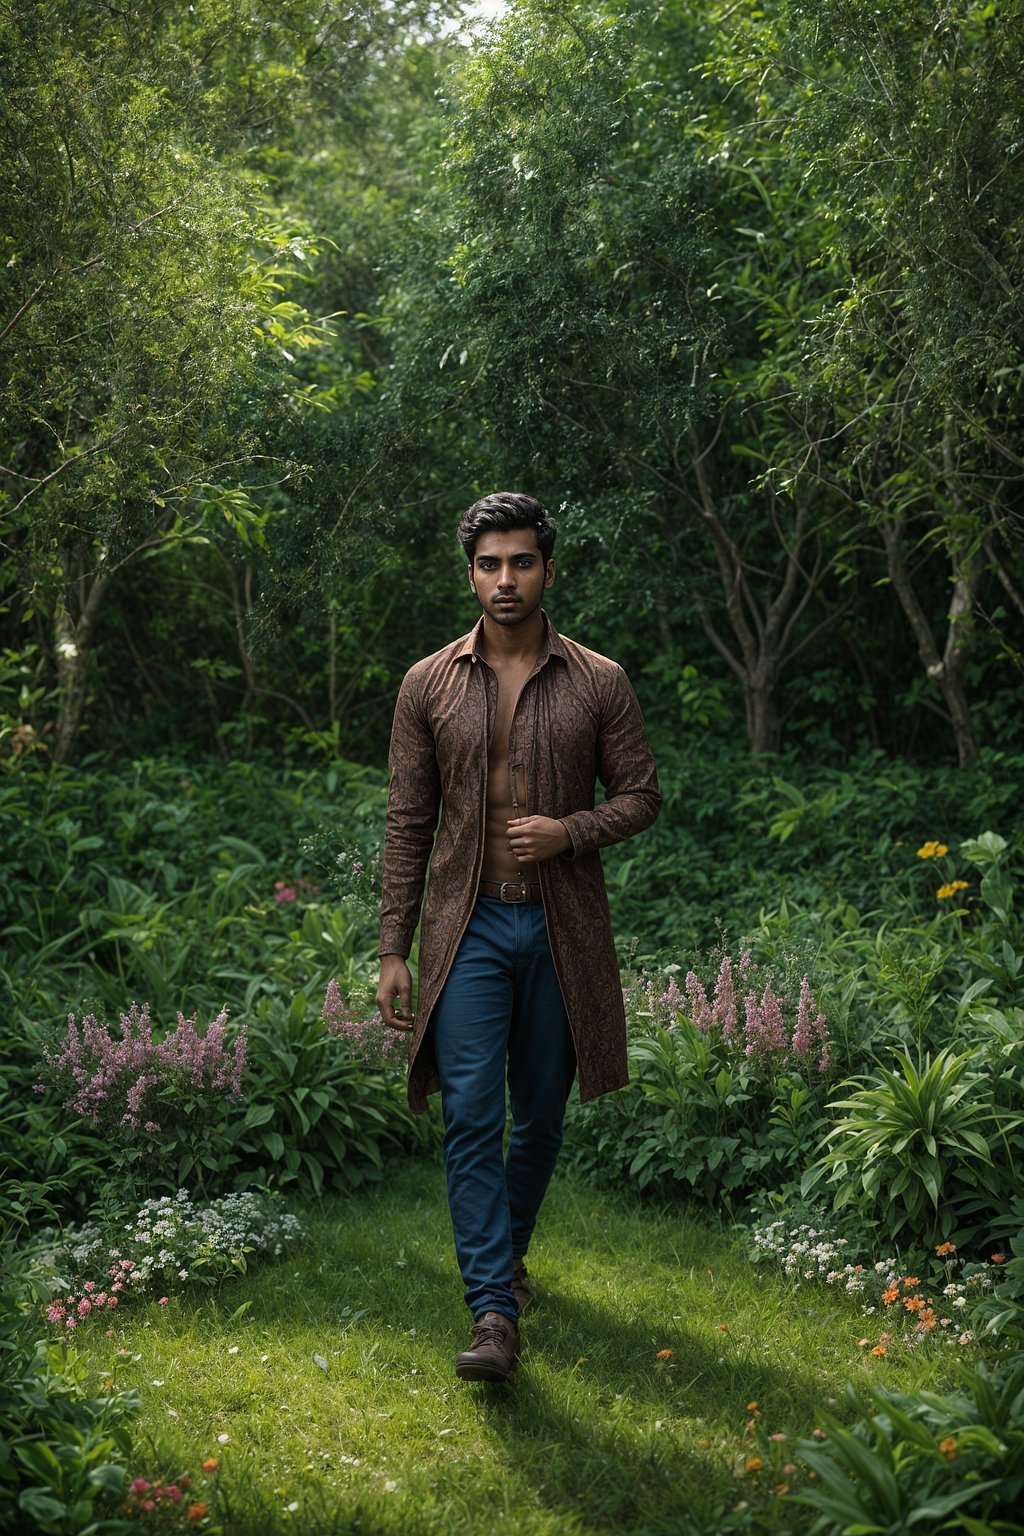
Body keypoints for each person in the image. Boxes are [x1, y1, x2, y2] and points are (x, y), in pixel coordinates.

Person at [375, 492, 661, 1383]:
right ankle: (493, 1312)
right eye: (490, 564)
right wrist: (392, 946)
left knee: (538, 1119)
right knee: (470, 1115)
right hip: (466, 930)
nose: (506, 579)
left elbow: (643, 795)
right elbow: (407, 820)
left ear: (547, 568)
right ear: (471, 572)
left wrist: (570, 831)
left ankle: (508, 1261)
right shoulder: (427, 682)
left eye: (522, 562)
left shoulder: (599, 680)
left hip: (560, 928)